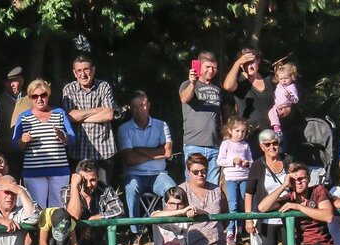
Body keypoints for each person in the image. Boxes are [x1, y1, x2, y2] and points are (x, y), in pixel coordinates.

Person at [117, 90, 176, 234]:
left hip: (158, 174)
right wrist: (156, 152)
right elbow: (129, 159)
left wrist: (138, 150)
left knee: (172, 189)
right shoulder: (124, 129)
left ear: (148, 105)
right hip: (134, 174)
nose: (139, 110)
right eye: (135, 106)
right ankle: (135, 232)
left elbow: (167, 152)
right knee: (131, 188)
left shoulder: (161, 125)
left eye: (142, 105)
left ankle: (170, 230)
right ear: (130, 108)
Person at [12, 79, 76, 210]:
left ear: (48, 95)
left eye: (43, 95)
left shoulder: (59, 113)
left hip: (59, 170)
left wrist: (63, 136)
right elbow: (14, 145)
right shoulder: (24, 117)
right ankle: (40, 232)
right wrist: (22, 141)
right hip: (33, 172)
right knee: (37, 209)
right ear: (30, 98)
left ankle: (57, 231)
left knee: (58, 209)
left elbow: (73, 138)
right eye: (35, 96)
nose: (39, 99)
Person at [244, 129, 292, 245]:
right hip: (267, 218)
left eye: (275, 143)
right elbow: (249, 193)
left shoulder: (288, 160)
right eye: (268, 144)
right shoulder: (257, 166)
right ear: (261, 146)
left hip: (288, 215)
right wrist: (249, 219)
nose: (272, 147)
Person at [61, 55, 118, 181]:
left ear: (93, 70)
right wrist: (97, 110)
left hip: (104, 151)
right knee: (79, 191)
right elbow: (70, 117)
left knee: (104, 192)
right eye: (79, 71)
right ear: (74, 73)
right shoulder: (69, 89)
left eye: (86, 69)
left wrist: (81, 117)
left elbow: (108, 114)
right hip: (78, 152)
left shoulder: (104, 87)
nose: (83, 74)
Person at [181, 153, 229, 245]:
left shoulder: (217, 190)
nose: (200, 174)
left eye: (204, 171)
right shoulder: (182, 191)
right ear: (189, 172)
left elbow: (225, 217)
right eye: (196, 172)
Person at [65, 159, 121, 245]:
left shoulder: (105, 190)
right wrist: (75, 187)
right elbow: (72, 216)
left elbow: (119, 210)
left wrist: (93, 220)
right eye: (84, 180)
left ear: (98, 177)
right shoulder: (67, 191)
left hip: (93, 244)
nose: (89, 185)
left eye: (93, 180)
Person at [179, 51, 223, 183]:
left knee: (213, 188)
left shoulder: (218, 89)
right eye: (207, 67)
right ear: (199, 66)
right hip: (194, 145)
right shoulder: (187, 84)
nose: (211, 70)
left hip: (214, 145)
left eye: (214, 67)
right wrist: (193, 83)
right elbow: (184, 98)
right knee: (193, 187)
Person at [222, 48, 277, 150]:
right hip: (249, 135)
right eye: (245, 63)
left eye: (252, 62)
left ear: (258, 61)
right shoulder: (239, 82)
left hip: (272, 134)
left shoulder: (269, 79)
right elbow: (228, 86)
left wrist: (286, 109)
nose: (249, 66)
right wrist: (238, 63)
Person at [217, 116, 252, 245]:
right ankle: (230, 232)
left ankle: (240, 231)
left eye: (243, 131)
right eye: (237, 131)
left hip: (244, 178)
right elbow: (220, 161)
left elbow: (251, 161)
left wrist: (247, 163)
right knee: (233, 205)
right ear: (230, 130)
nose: (240, 134)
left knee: (243, 203)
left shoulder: (245, 145)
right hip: (231, 179)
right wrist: (232, 161)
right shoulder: (226, 144)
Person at [0, 67, 25, 175]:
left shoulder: (31, 99)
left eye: (14, 81)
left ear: (21, 81)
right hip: (7, 151)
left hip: (28, 152)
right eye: (8, 82)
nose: (11, 85)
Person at [269, 63, 300, 136]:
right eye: (281, 79)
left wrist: (289, 96)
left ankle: (277, 127)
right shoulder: (279, 86)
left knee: (273, 113)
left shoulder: (292, 87)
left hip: (285, 105)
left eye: (285, 78)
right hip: (278, 105)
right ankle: (276, 126)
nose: (283, 81)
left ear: (292, 77)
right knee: (271, 112)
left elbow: (295, 100)